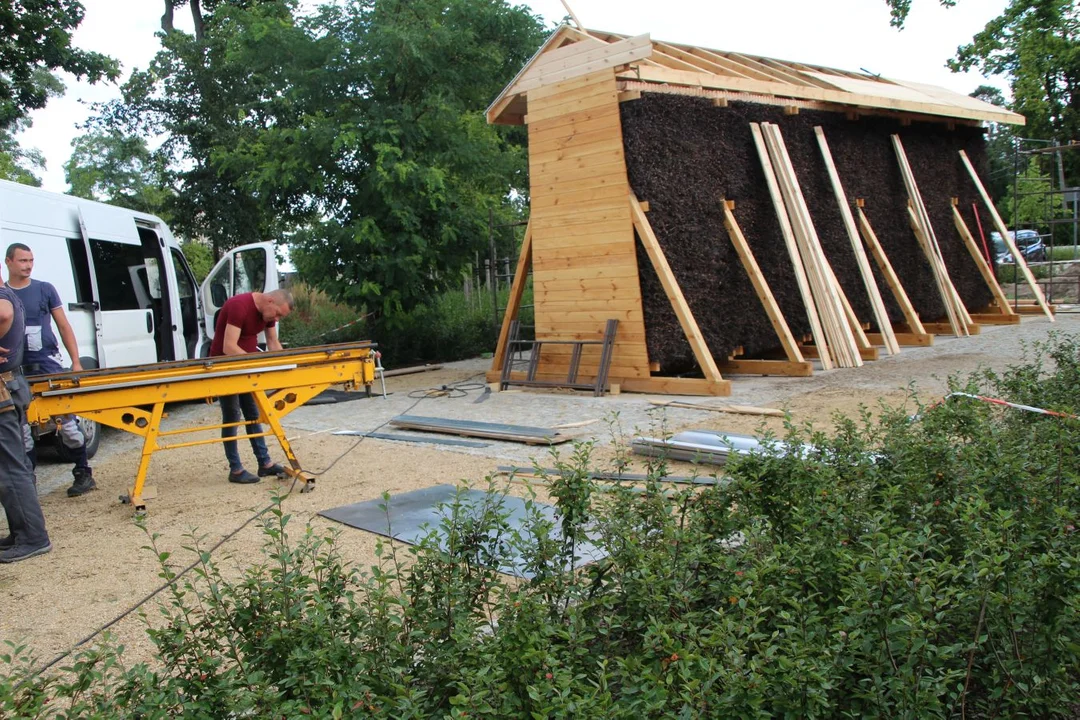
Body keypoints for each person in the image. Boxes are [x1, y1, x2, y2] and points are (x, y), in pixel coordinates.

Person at [4, 243, 95, 497]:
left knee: (66, 423)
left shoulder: (44, 289)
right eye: (23, 260)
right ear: (8, 262)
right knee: (22, 429)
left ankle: (83, 471)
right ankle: (27, 481)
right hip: (15, 369)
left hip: (47, 365)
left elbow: (63, 325)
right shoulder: (4, 294)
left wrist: (75, 361)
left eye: (31, 260)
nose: (28, 265)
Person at [211, 289, 293, 484]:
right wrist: (256, 365)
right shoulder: (239, 305)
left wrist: (286, 368)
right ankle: (236, 469)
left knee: (253, 413)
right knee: (232, 415)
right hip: (225, 366)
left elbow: (273, 342)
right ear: (270, 301)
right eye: (278, 314)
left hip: (247, 369)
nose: (278, 319)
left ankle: (265, 464)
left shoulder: (268, 313)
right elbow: (228, 347)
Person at [0, 273, 52, 562]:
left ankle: (33, 537)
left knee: (10, 470)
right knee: (9, 468)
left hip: (3, 392)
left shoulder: (3, 300)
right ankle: (21, 532)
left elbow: (3, 313)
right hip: (12, 386)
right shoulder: (10, 293)